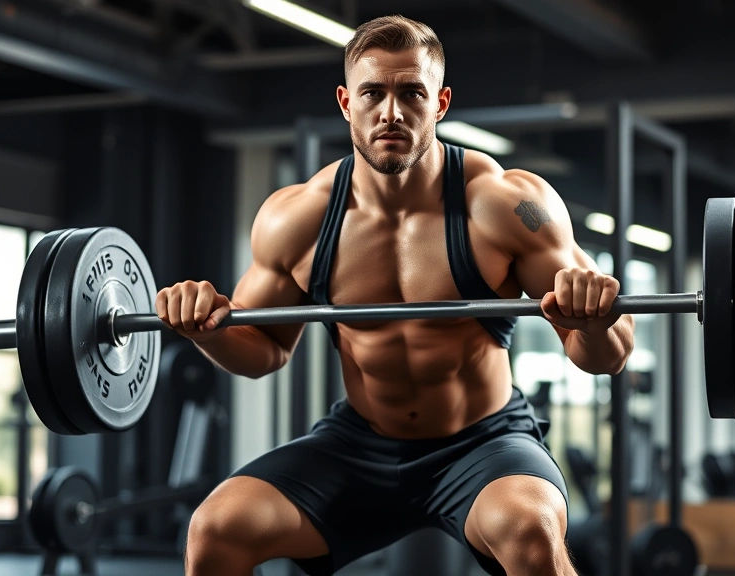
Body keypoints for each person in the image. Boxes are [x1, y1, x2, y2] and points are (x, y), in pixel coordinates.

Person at [156, 14, 635, 576]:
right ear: (345, 102)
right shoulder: (297, 219)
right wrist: (206, 331)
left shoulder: (508, 205)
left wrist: (597, 322)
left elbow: (607, 355)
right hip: (360, 446)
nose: (391, 112)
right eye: (372, 93)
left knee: (531, 532)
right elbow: (264, 350)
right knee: (216, 531)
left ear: (440, 102)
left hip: (482, 445)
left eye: (411, 93)